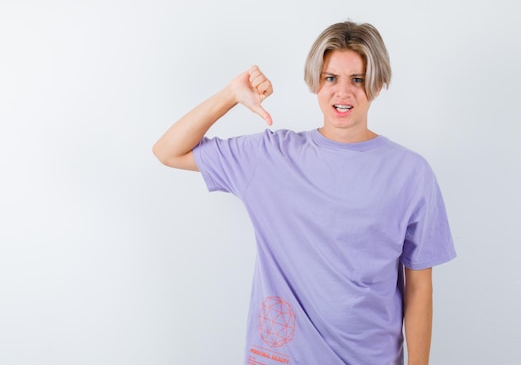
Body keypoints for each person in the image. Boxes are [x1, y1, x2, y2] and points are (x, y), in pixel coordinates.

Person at [152, 21, 456, 365]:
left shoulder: (411, 174)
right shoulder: (270, 157)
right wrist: (230, 96)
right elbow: (168, 151)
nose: (343, 92)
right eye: (330, 78)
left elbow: (419, 288)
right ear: (315, 82)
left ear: (378, 84)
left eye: (357, 79)